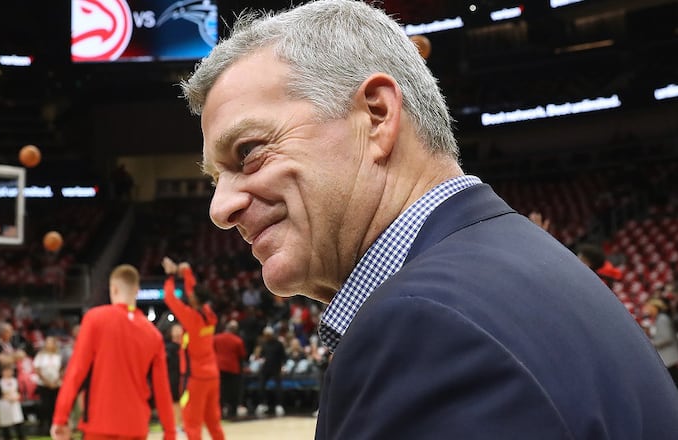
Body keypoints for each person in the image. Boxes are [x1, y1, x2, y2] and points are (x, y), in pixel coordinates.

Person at [181, 0, 678, 437]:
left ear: (376, 116)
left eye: (247, 152)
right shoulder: (518, 267)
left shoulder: (424, 325)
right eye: (213, 179)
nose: (220, 208)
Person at [51, 264, 176, 440]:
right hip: (136, 426)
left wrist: (60, 417)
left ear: (113, 289)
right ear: (137, 290)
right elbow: (162, 388)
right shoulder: (153, 334)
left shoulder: (95, 319)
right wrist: (169, 432)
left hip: (100, 423)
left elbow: (76, 371)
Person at [162, 257, 225, 440]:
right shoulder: (209, 314)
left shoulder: (192, 318)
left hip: (194, 378)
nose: (189, 296)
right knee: (214, 424)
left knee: (192, 425)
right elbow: (193, 290)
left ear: (195, 301)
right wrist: (187, 271)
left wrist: (171, 276)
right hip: (212, 376)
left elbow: (169, 298)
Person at [212, 320, 246, 419]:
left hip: (218, 368)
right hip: (233, 369)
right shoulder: (238, 341)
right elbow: (242, 354)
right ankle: (233, 411)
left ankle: (220, 409)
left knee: (220, 390)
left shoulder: (216, 338)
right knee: (233, 391)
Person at [643, 298, 678, 388]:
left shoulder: (662, 319)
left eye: (650, 307)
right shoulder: (658, 319)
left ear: (655, 307)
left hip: (670, 358)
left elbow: (667, 337)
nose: (648, 310)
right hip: (668, 358)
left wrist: (652, 343)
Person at [33, 336, 63, 434]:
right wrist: (47, 382)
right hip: (43, 384)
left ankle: (53, 427)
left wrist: (56, 381)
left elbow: (61, 370)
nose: (49, 344)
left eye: (51, 342)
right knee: (44, 406)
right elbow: (37, 369)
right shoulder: (40, 356)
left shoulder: (58, 356)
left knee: (55, 406)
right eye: (48, 342)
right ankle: (42, 427)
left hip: (56, 384)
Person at [255, 327, 286, 417]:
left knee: (278, 387)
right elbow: (261, 356)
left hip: (276, 367)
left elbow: (283, 356)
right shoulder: (264, 344)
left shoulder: (279, 344)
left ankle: (279, 405)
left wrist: (283, 367)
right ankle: (262, 404)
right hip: (265, 368)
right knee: (261, 385)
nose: (267, 337)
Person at [0, 366, 25, 440]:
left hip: (15, 403)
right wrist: (8, 397)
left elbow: (19, 391)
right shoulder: (0, 382)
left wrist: (16, 397)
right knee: (6, 424)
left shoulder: (15, 380)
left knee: (18, 422)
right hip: (4, 405)